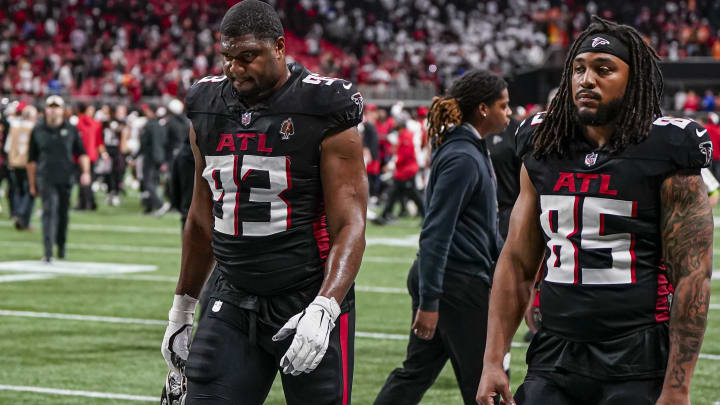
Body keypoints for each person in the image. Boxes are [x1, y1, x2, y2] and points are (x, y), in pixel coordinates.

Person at [477, 16, 713, 405]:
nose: (586, 80)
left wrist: (676, 388)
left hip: (637, 356)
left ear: (633, 79)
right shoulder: (543, 144)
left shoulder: (666, 149)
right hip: (555, 352)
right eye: (579, 69)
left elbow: (692, 277)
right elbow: (517, 262)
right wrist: (492, 362)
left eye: (604, 69)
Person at [159, 1, 367, 404]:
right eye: (227, 58)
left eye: (247, 56)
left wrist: (326, 305)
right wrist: (182, 309)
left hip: (306, 293)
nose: (235, 68)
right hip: (232, 293)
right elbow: (203, 221)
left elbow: (350, 223)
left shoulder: (322, 106)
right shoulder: (206, 106)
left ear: (279, 47)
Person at [374, 69, 510, 405]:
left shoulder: (470, 149)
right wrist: (430, 300)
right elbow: (435, 231)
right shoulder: (463, 156)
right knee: (484, 378)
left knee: (416, 372)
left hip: (453, 281)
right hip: (455, 285)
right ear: (483, 109)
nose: (509, 112)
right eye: (504, 106)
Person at [27, 95, 91, 262]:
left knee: (63, 214)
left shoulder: (71, 129)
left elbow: (82, 152)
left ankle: (61, 247)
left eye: (57, 107)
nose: (53, 110)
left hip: (65, 177)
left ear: (63, 110)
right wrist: (32, 183)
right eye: (51, 106)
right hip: (45, 177)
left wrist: (85, 172)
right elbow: (31, 160)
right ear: (46, 109)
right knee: (49, 212)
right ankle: (48, 252)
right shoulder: (37, 130)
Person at [5, 104, 38, 230]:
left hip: (14, 163)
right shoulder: (34, 129)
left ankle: (17, 213)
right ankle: (23, 218)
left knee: (18, 190)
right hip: (28, 164)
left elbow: (8, 147)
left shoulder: (14, 128)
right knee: (30, 191)